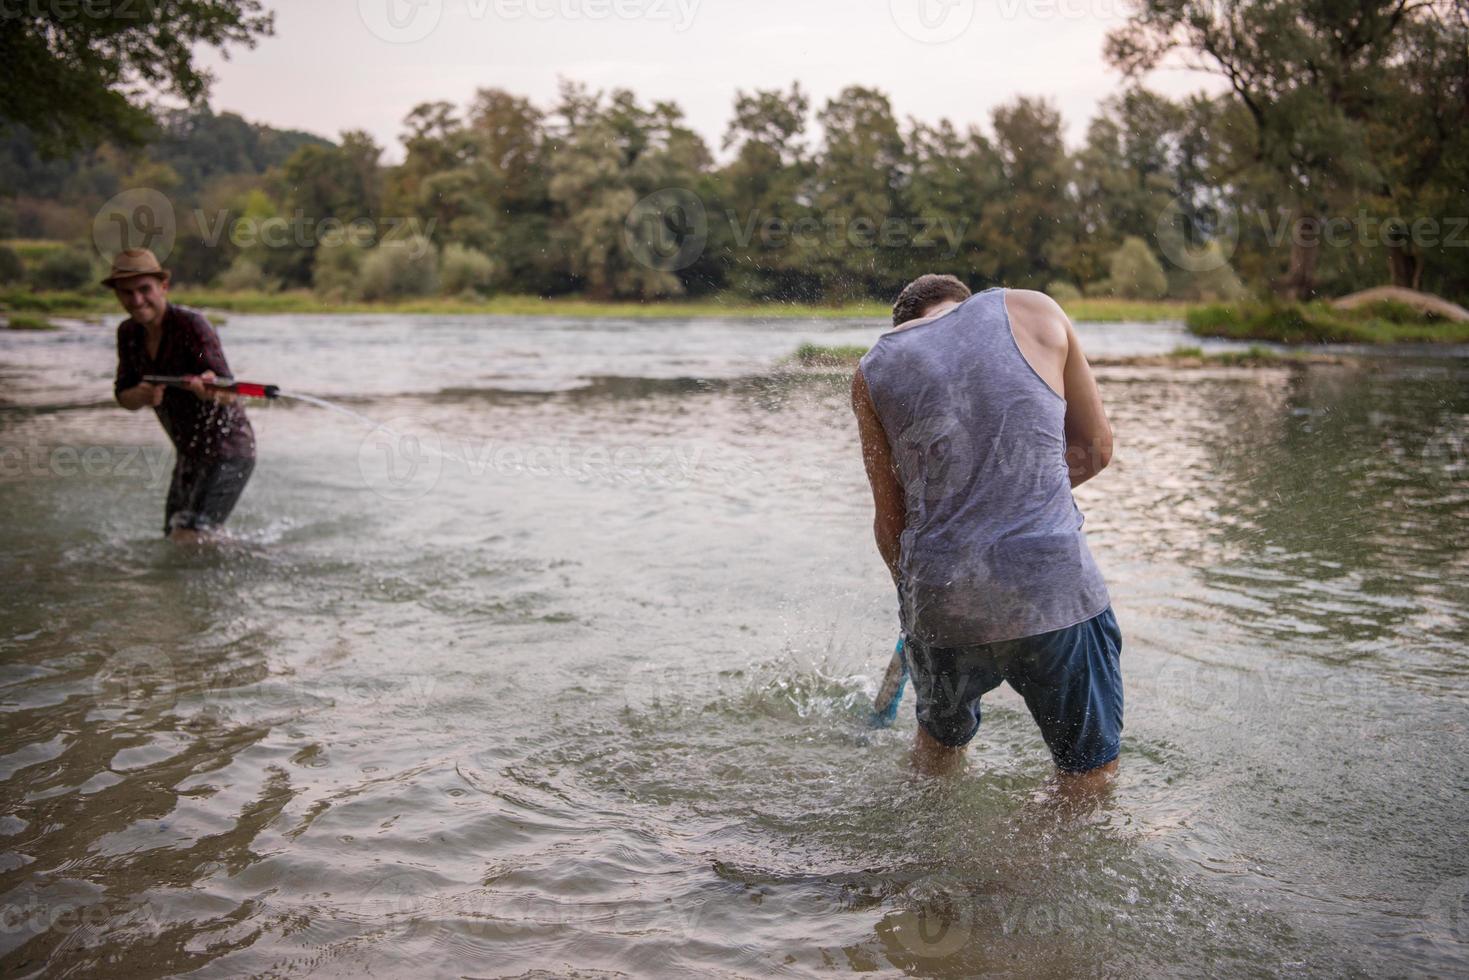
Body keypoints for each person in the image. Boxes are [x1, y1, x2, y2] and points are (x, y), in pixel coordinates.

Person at [851, 274, 1121, 792]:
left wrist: (914, 610)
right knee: (1088, 775)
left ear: (905, 327)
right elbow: (1095, 448)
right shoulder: (1033, 309)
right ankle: (1022, 869)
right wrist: (1021, 486)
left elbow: (893, 523)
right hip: (1050, 590)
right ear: (963, 305)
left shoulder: (873, 371)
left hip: (941, 599)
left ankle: (934, 861)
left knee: (937, 759)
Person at [108, 248, 256, 541]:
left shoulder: (192, 326)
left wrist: (208, 390)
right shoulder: (128, 333)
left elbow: (230, 392)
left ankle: (259, 565)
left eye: (144, 289)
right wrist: (141, 395)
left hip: (228, 450)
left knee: (188, 537)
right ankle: (246, 555)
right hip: (188, 454)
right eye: (127, 293)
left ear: (164, 287)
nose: (137, 300)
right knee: (174, 536)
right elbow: (123, 395)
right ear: (117, 295)